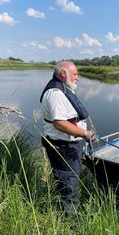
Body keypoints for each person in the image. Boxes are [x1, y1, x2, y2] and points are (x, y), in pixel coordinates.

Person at [40, 60, 95, 215]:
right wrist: (85, 134)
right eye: (75, 74)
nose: (78, 77)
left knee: (70, 180)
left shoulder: (64, 89)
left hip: (70, 144)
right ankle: (71, 221)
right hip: (63, 146)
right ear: (63, 73)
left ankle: (68, 212)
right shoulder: (55, 94)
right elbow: (60, 123)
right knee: (68, 182)